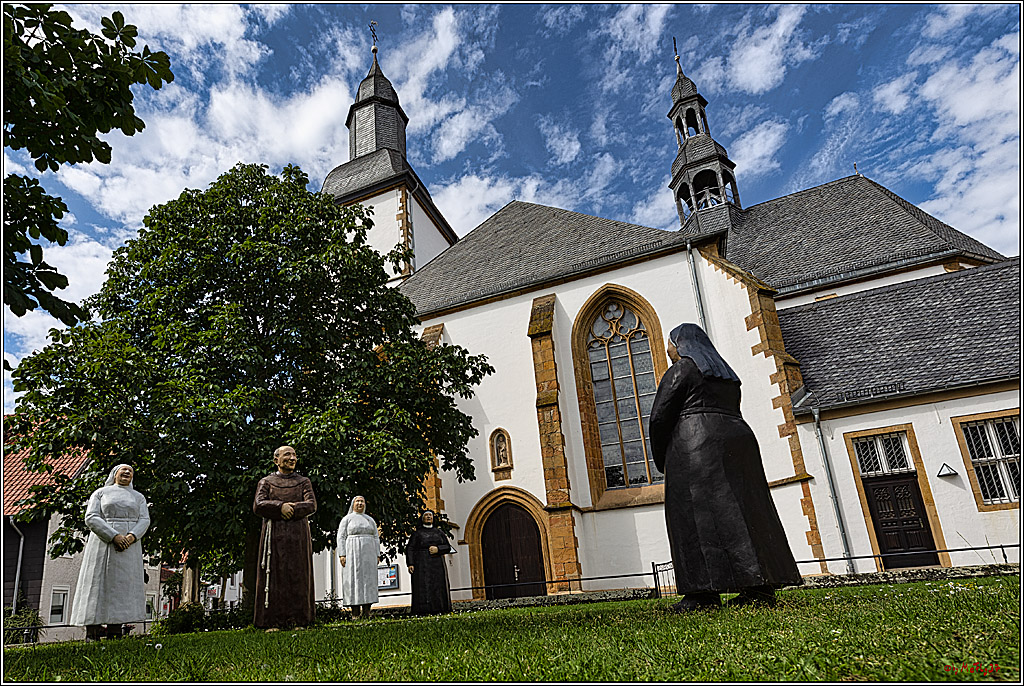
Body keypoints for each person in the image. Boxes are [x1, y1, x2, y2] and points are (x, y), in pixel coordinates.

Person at [649, 323, 802, 612]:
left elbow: (659, 417)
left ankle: (702, 594)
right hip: (738, 441)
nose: (668, 350)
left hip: (695, 443)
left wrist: (661, 458)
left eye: (670, 343)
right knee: (747, 512)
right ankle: (759, 588)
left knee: (694, 517)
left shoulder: (683, 369)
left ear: (681, 344)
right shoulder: (727, 375)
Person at [69, 464, 150, 640]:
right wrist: (113, 536)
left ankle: (116, 630)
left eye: (130, 471)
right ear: (114, 474)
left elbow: (144, 519)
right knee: (97, 585)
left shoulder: (138, 497)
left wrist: (131, 536)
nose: (127, 472)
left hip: (129, 548)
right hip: (102, 544)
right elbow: (91, 517)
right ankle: (92, 631)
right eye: (123, 470)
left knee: (121, 587)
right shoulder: (100, 493)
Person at [252, 445, 317, 629]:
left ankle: (300, 620)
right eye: (287, 454)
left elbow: (311, 505)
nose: (292, 458)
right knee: (273, 577)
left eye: (294, 455)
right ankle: (271, 621)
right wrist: (280, 507)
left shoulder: (303, 482)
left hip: (298, 536)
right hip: (274, 538)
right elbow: (258, 504)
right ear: (276, 460)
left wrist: (292, 509)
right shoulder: (266, 482)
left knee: (299, 575)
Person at [337, 495, 381, 619]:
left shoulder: (370, 520)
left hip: (369, 553)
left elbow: (376, 537)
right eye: (358, 501)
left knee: (369, 580)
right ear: (353, 504)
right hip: (352, 553)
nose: (360, 503)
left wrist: (377, 554)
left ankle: (367, 611)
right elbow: (341, 537)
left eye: (362, 501)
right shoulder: (347, 519)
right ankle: (355, 612)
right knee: (353, 579)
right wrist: (342, 554)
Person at [404, 509, 455, 615]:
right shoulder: (417, 533)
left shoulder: (439, 532)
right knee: (423, 586)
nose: (428, 517)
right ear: (422, 518)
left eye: (430, 515)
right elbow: (410, 548)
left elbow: (447, 547)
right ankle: (423, 610)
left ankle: (441, 608)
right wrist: (410, 563)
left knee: (438, 585)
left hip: (437, 564)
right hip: (421, 564)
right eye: (426, 515)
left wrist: (438, 549)